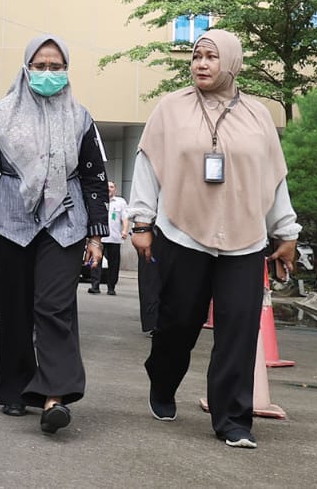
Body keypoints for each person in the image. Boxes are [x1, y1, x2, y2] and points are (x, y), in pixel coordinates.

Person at [128, 28, 300, 450]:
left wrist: (286, 231)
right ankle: (163, 379)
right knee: (178, 323)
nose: (201, 64)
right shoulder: (171, 108)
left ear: (232, 62)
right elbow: (149, 165)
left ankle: (233, 419)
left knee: (239, 328)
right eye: (196, 56)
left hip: (245, 239)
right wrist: (141, 222)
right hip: (183, 233)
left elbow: (274, 177)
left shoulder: (257, 115)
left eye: (211, 56)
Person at [0, 35, 109, 435]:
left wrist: (96, 235)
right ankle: (16, 389)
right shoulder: (2, 114)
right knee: (15, 307)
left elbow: (95, 177)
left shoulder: (81, 118)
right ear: (26, 69)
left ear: (67, 70)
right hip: (12, 218)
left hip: (66, 220)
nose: (47, 73)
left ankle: (55, 396)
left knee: (54, 305)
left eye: (56, 67)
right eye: (40, 66)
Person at [88, 181, 128, 295]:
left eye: (111, 187)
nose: (109, 188)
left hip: (114, 238)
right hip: (99, 238)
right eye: (107, 187)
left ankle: (111, 288)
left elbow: (125, 218)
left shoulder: (120, 202)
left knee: (114, 265)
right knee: (95, 262)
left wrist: (125, 230)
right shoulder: (98, 199)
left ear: (115, 189)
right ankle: (95, 286)